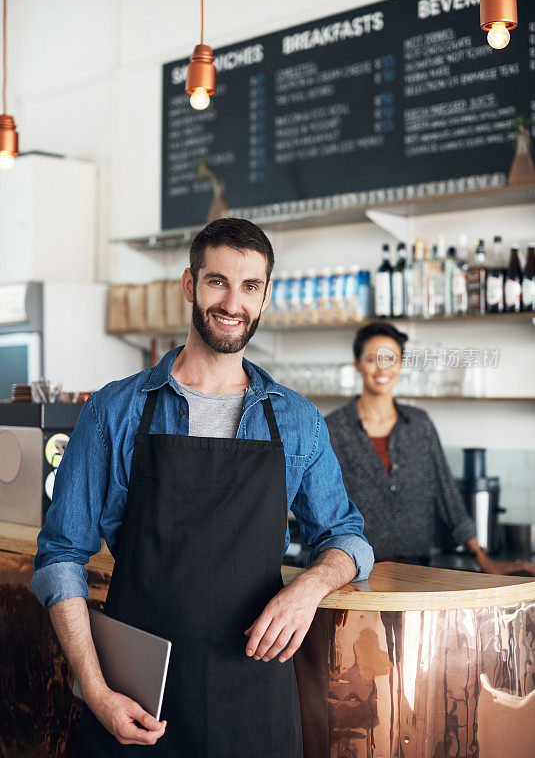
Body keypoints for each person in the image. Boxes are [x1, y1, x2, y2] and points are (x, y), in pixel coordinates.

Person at [32, 218, 374, 757]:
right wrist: (95, 692)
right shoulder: (114, 410)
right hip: (136, 698)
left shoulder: (297, 421)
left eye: (250, 287)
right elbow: (59, 556)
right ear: (190, 286)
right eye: (217, 281)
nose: (232, 302)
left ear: (264, 300)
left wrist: (309, 588)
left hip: (253, 700)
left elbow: (347, 537)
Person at [325, 321, 535, 575]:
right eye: (372, 359)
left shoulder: (419, 424)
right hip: (355, 570)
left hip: (418, 570)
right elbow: (324, 506)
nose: (382, 368)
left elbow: (448, 498)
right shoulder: (333, 428)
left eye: (390, 358)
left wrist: (483, 559)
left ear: (401, 364)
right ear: (357, 363)